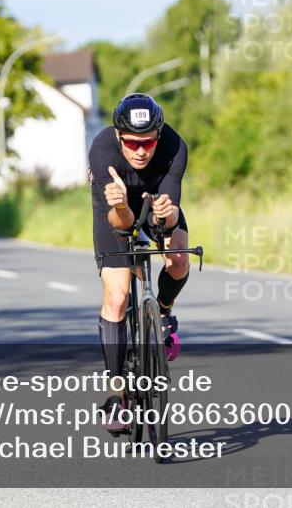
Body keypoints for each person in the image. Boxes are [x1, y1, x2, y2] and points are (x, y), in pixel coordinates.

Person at [88, 93, 191, 434]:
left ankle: (162, 310)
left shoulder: (175, 147)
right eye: (132, 143)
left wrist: (168, 214)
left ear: (158, 137)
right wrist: (118, 205)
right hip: (116, 209)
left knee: (178, 258)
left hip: (157, 202)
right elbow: (121, 224)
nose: (140, 151)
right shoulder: (102, 150)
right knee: (117, 296)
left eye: (147, 143)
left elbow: (170, 218)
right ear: (119, 137)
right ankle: (116, 394)